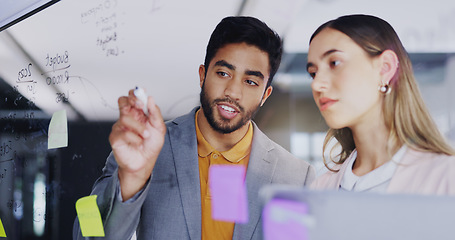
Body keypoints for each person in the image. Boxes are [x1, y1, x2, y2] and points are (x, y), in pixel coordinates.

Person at [73, 16, 315, 240]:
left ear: (265, 95)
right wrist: (132, 178)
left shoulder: (294, 177)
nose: (233, 91)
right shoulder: (144, 146)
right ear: (203, 75)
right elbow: (85, 235)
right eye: (223, 73)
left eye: (251, 81)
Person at [307, 14, 455, 195]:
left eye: (334, 63)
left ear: (385, 68)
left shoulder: (446, 176)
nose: (316, 84)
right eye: (313, 73)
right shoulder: (320, 188)